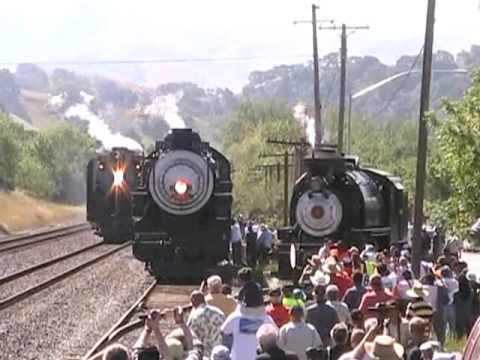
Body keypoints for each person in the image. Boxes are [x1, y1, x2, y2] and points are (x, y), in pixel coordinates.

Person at [221, 286, 276, 360]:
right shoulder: (266, 319)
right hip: (259, 357)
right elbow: (276, 335)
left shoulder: (235, 317)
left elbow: (224, 331)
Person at [187, 290, 225, 357]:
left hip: (205, 354)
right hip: (220, 352)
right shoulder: (219, 311)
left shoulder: (195, 316)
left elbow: (189, 336)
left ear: (192, 301)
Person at [454, 274, 478, 338]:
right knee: (469, 334)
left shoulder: (455, 294)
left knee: (459, 336)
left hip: (459, 317)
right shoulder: (472, 293)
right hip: (469, 316)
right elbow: (475, 305)